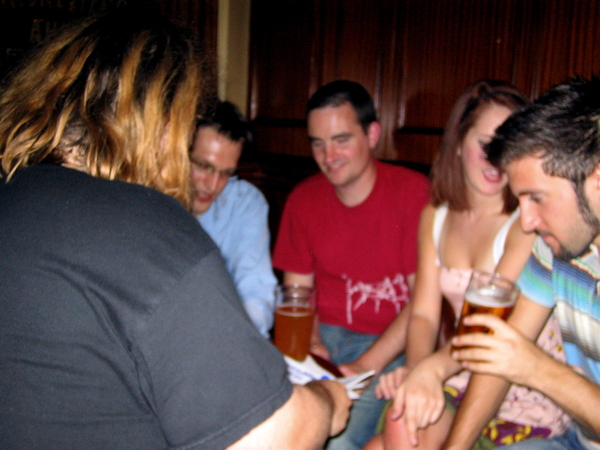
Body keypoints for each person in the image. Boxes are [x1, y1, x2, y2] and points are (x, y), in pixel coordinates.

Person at [0, 9, 351, 449]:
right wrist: (327, 398)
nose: (208, 182)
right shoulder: (147, 229)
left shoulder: (13, 194)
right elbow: (273, 439)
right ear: (165, 125)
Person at [362, 79, 570, 450]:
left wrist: (430, 371)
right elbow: (424, 315)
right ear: (458, 144)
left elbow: (489, 326)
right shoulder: (436, 216)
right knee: (399, 425)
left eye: (507, 147)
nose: (496, 160)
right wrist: (418, 371)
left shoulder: (525, 222)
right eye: (486, 144)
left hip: (514, 388)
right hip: (456, 370)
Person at [272, 79, 430, 449]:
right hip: (324, 339)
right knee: (273, 426)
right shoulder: (303, 199)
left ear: (372, 134)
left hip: (392, 346)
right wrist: (312, 344)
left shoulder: (413, 192)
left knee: (333, 441)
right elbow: (297, 294)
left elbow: (422, 304)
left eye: (341, 139)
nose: (329, 156)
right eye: (318, 143)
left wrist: (365, 365)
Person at [447, 76, 600, 449]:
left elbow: (521, 360)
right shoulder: (555, 248)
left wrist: (536, 368)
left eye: (536, 198)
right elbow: (502, 358)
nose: (527, 222)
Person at [190, 100, 277, 338]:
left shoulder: (246, 203)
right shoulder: (150, 199)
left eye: (226, 173)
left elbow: (257, 295)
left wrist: (232, 336)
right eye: (202, 166)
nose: (213, 185)